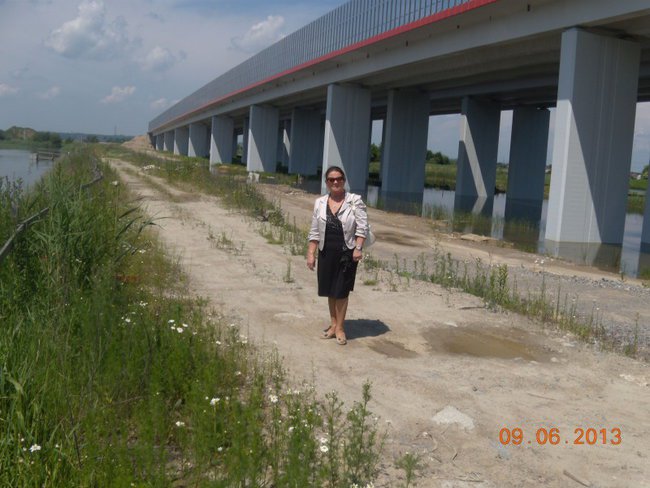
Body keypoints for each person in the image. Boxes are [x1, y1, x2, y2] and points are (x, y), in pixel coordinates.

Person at [306, 166, 368, 345]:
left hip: (346, 253)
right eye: (331, 179)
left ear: (344, 180)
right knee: (329, 290)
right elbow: (314, 231)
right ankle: (333, 325)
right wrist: (311, 253)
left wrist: (358, 248)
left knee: (341, 291)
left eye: (339, 178)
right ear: (326, 182)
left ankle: (340, 328)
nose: (335, 182)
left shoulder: (355, 201)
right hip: (326, 251)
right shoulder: (320, 202)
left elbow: (362, 227)